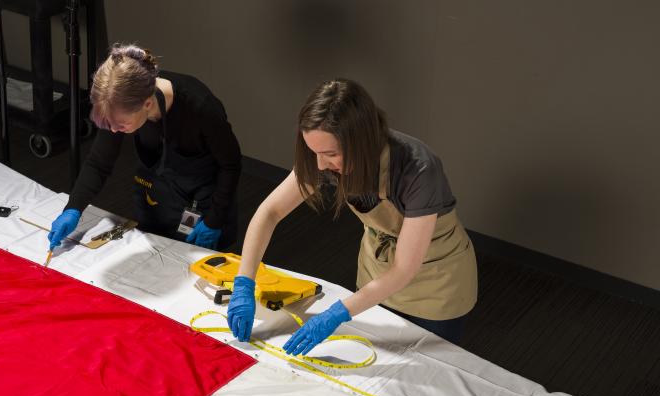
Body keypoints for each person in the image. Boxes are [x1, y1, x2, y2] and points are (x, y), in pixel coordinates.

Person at [227, 79, 477, 355]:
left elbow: (405, 268)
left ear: (362, 141)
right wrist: (244, 282)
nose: (321, 164)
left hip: (435, 282)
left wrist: (337, 313)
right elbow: (271, 211)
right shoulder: (323, 155)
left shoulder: (418, 168)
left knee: (424, 371)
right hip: (378, 270)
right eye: (314, 153)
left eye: (331, 154)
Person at [48, 44, 241, 251]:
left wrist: (214, 219)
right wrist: (74, 208)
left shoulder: (200, 106)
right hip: (156, 197)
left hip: (205, 204)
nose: (113, 130)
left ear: (147, 104)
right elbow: (98, 163)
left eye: (121, 125)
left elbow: (230, 165)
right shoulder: (118, 103)